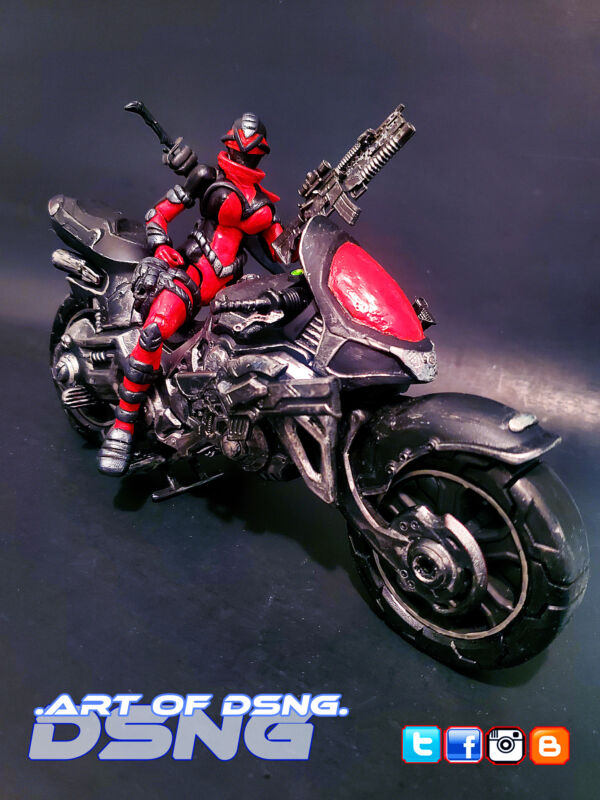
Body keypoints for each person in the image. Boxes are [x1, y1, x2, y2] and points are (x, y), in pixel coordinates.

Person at [97, 112, 285, 476]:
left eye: (251, 154)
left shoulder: (263, 203)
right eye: (239, 151)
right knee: (154, 331)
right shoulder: (206, 179)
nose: (244, 158)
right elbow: (157, 214)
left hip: (232, 288)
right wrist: (161, 247)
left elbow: (280, 252)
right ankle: (122, 427)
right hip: (195, 273)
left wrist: (306, 240)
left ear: (261, 154)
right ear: (230, 144)